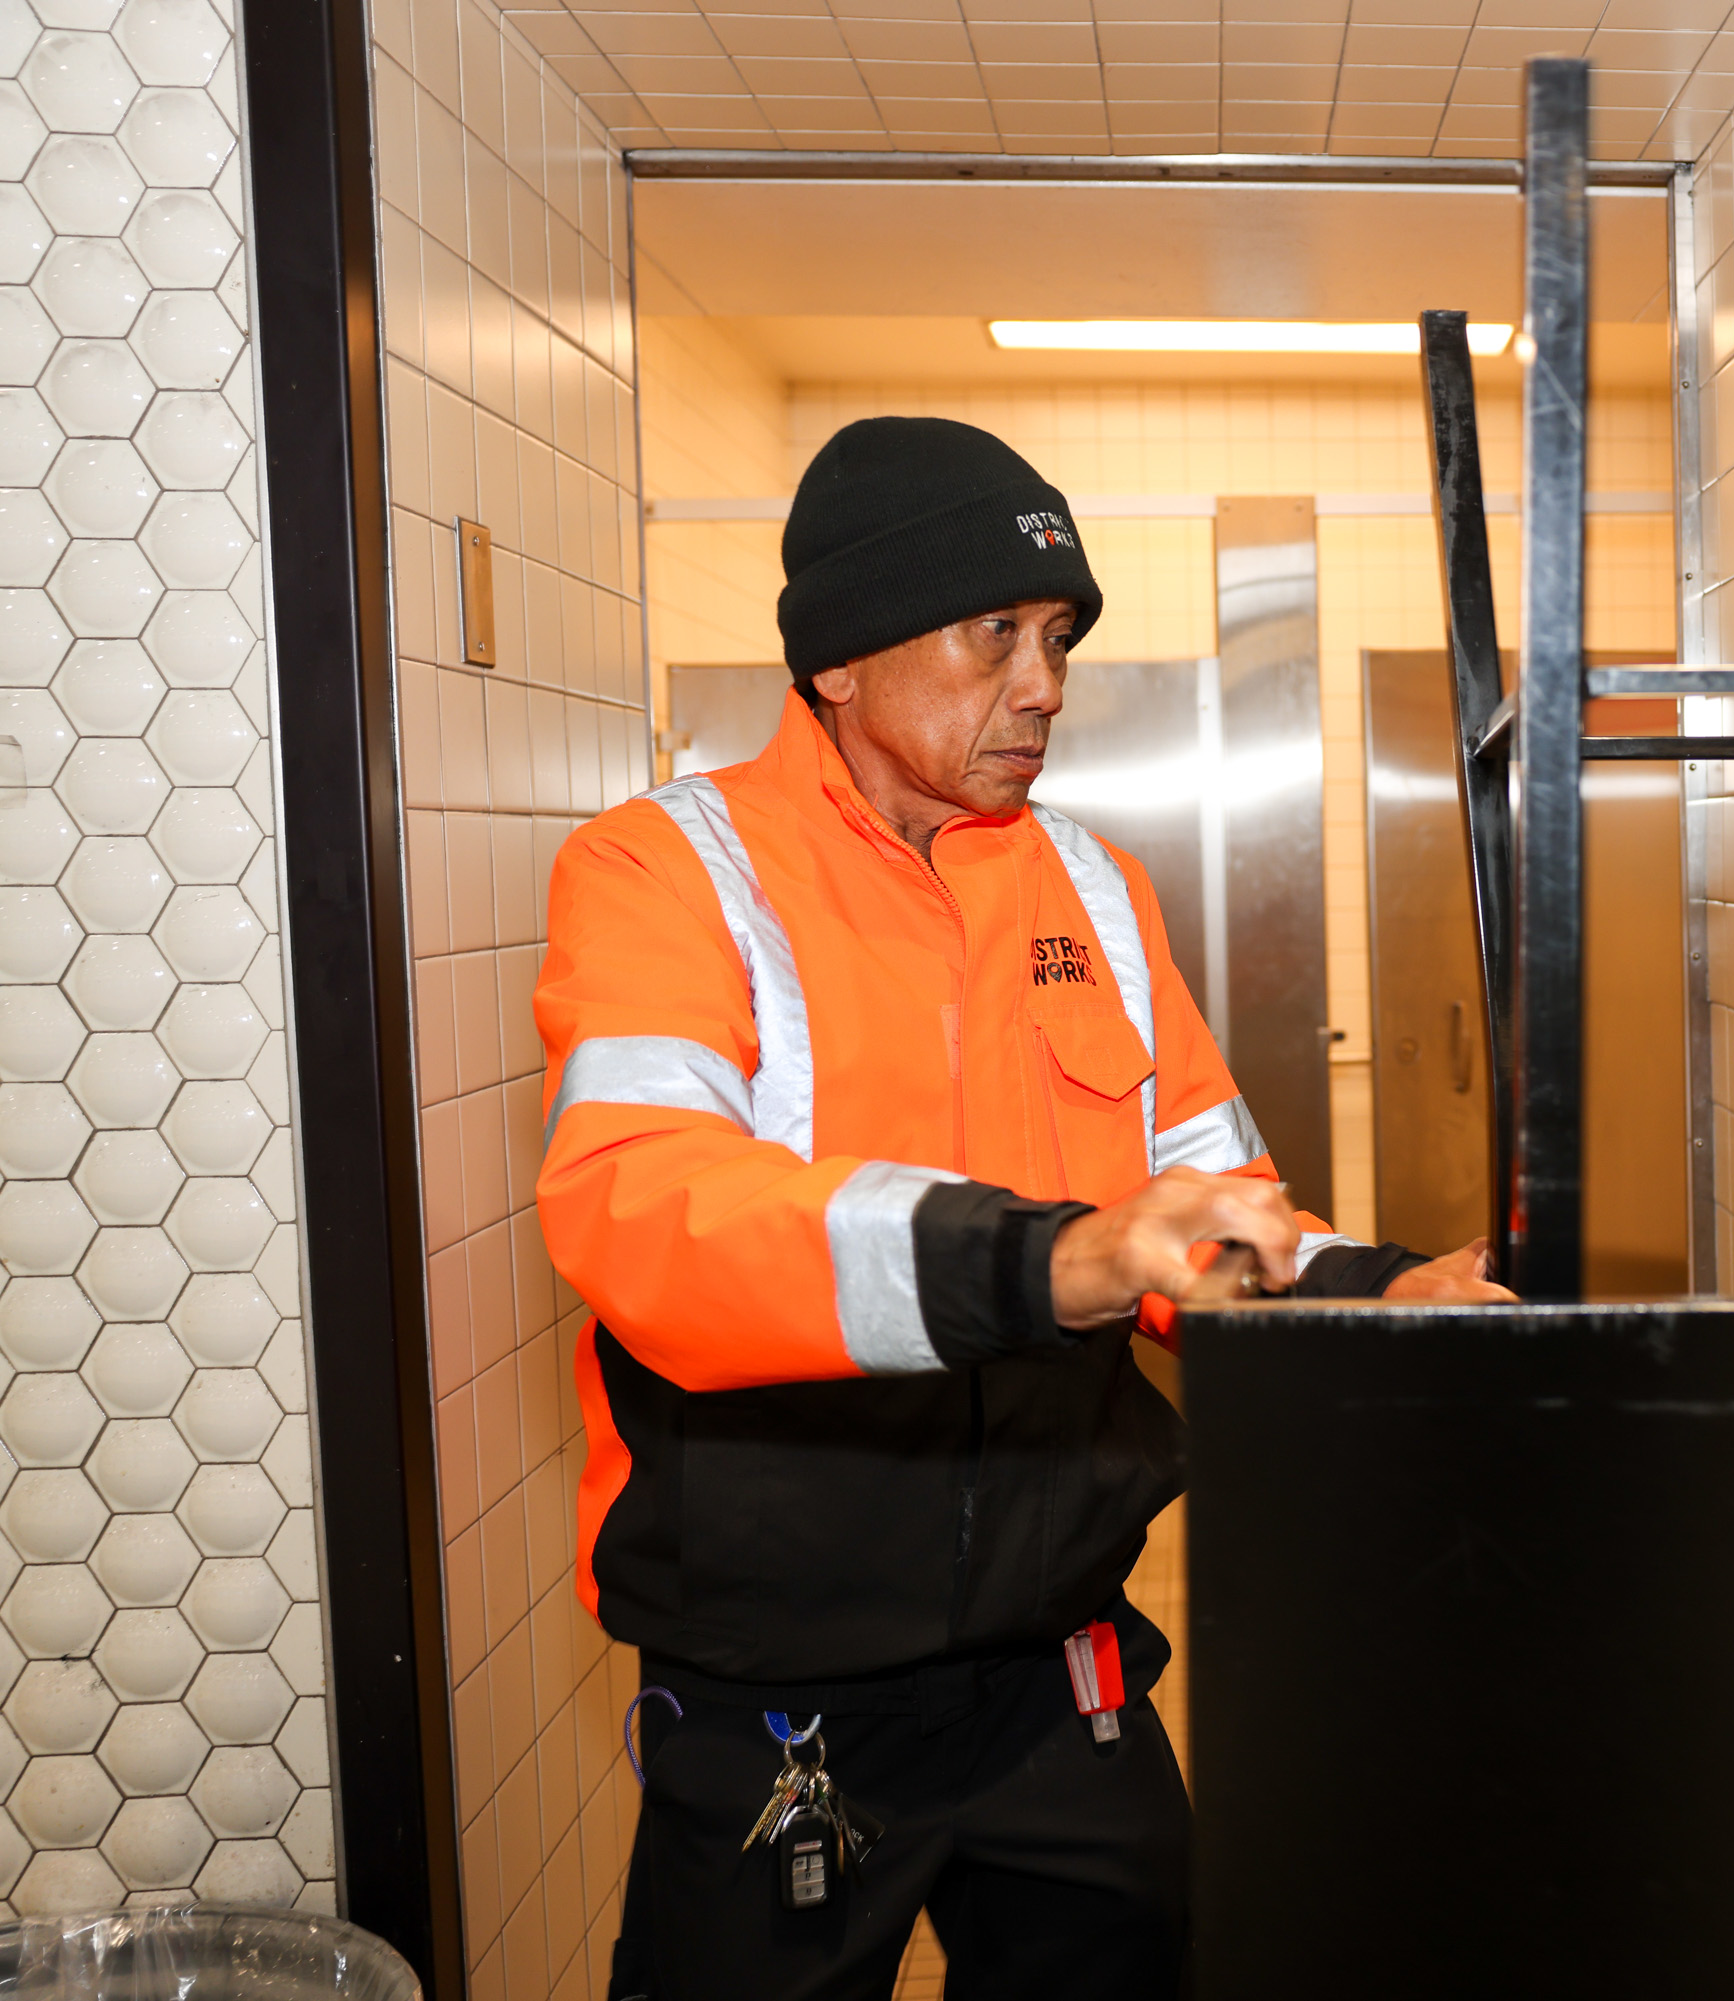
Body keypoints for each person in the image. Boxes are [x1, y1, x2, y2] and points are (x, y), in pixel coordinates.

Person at [535, 415, 1512, 1999]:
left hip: (1062, 1678)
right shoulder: (664, 870)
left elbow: (1214, 1213)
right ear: (843, 656)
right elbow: (648, 1214)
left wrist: (1379, 1298)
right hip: (784, 1695)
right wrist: (1057, 1255)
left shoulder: (1096, 891)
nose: (1045, 681)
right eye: (997, 632)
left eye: (1054, 636)